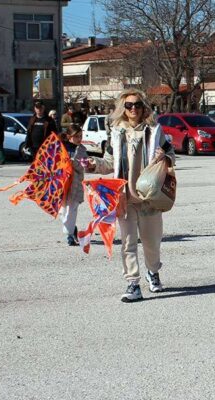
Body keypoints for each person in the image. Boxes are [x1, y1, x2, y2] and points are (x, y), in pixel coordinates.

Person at [86, 88, 176, 302]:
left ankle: (153, 272)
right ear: (122, 109)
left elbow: (171, 154)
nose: (133, 108)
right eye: (128, 105)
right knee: (128, 243)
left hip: (149, 197)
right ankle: (133, 283)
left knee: (151, 242)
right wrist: (93, 164)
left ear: (143, 107)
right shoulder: (116, 132)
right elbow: (109, 162)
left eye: (137, 104)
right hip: (124, 198)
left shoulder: (155, 130)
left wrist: (164, 157)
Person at [59, 124, 88, 246]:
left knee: (72, 210)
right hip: (62, 185)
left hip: (75, 185)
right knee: (62, 211)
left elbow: (82, 167)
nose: (79, 139)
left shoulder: (82, 150)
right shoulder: (61, 148)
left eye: (80, 136)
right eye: (76, 136)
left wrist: (72, 162)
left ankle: (69, 234)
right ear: (69, 137)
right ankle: (72, 229)